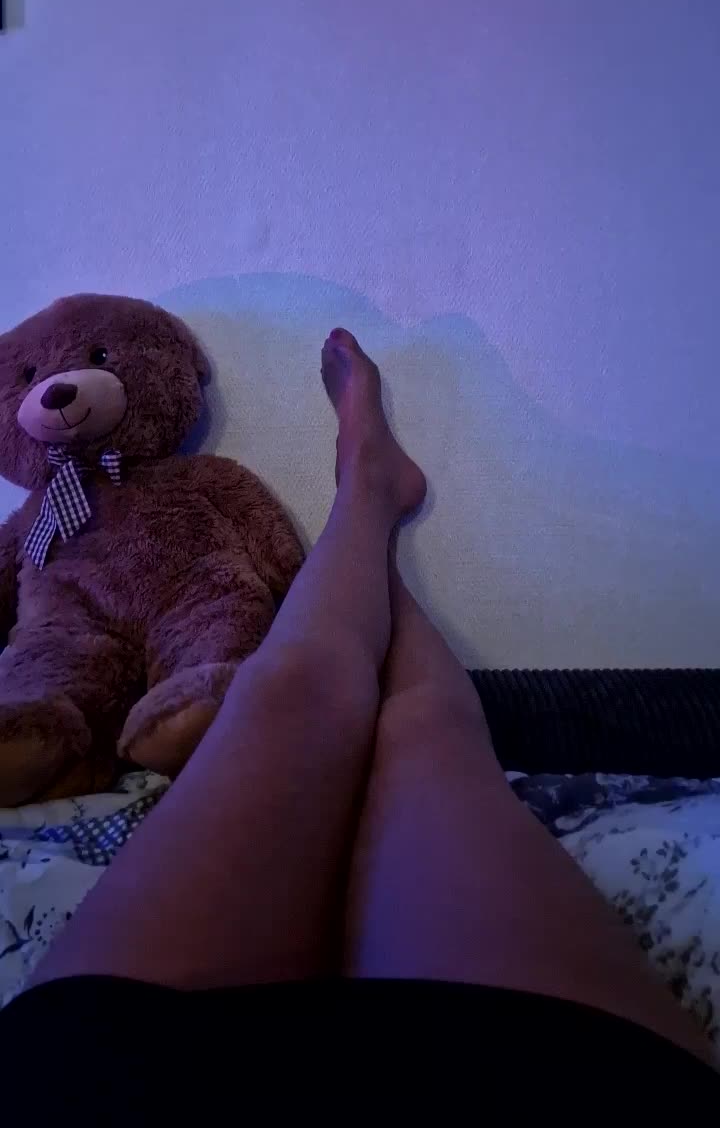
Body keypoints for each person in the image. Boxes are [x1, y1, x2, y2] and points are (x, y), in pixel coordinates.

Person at [1, 330, 715, 1115]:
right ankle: (366, 499)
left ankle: (364, 502)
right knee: (410, 731)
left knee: (294, 695)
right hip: (543, 1066)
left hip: (116, 1068)